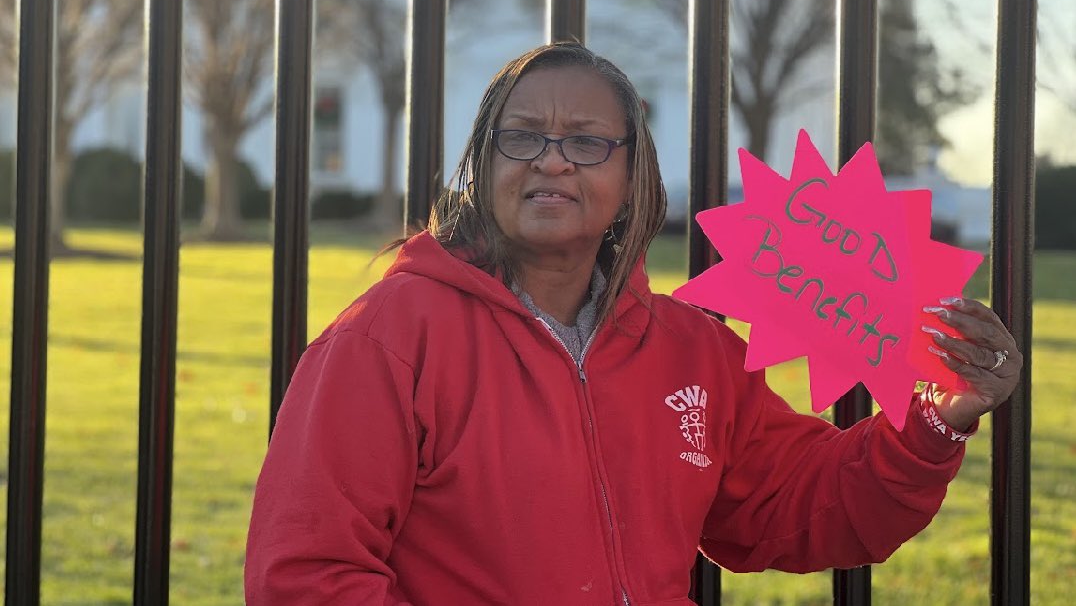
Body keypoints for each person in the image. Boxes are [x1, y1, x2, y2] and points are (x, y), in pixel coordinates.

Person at [245, 42, 1022, 605]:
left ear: (630, 173)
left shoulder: (693, 350)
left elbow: (799, 504)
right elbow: (305, 574)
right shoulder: (387, 337)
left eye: (587, 141)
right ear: (484, 163)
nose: (553, 160)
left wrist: (935, 421)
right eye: (523, 136)